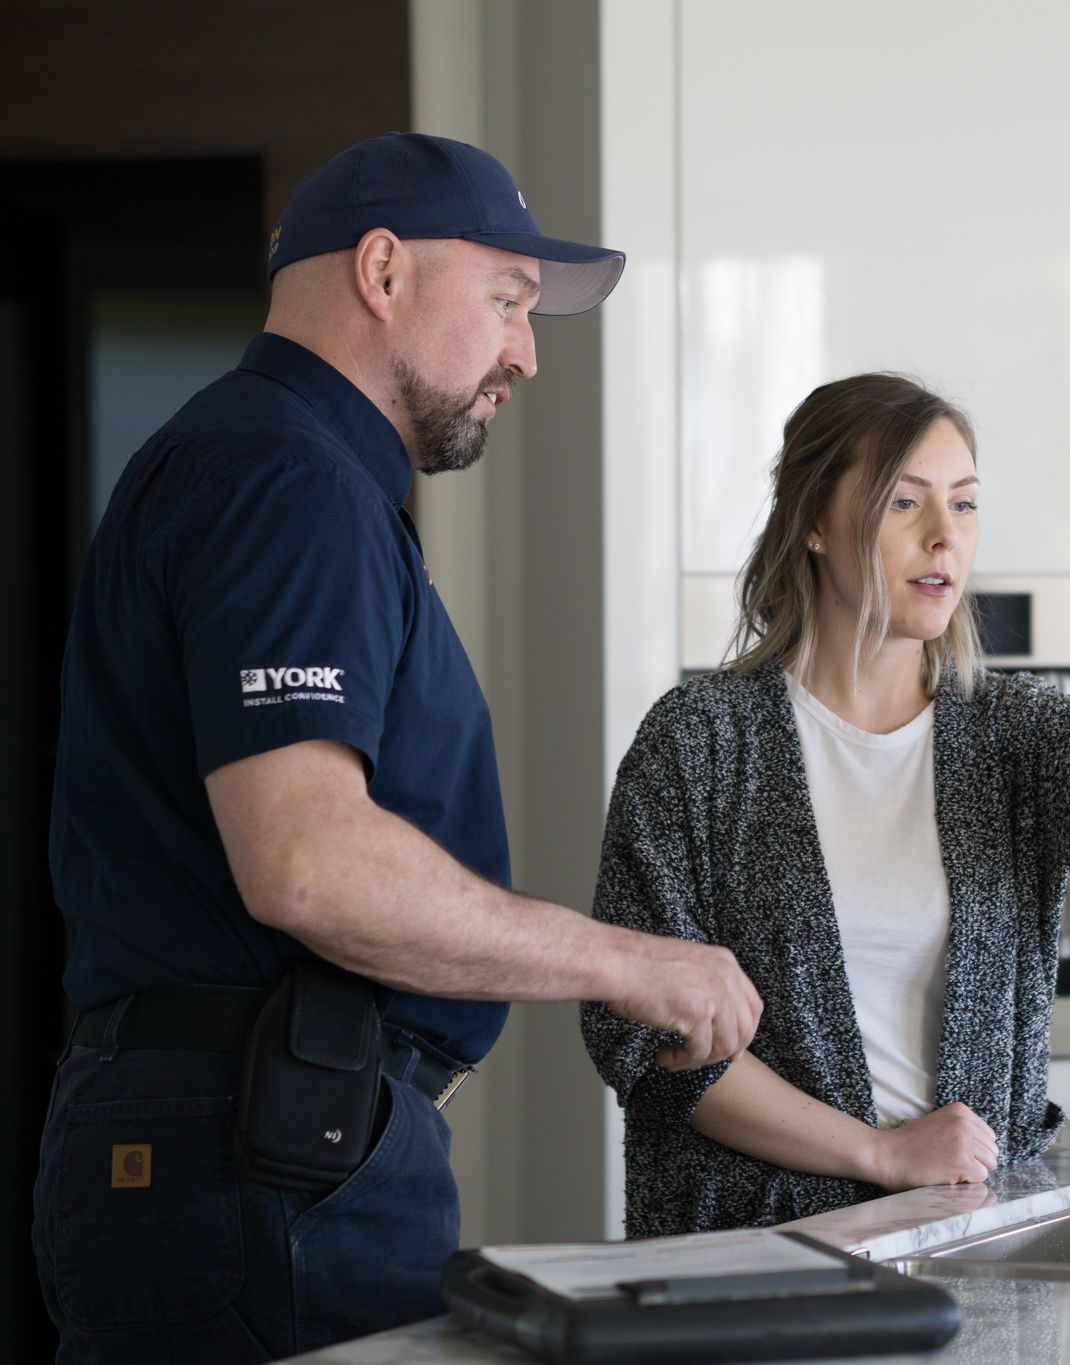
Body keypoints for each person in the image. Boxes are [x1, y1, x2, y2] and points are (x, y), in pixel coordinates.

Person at [32, 133, 761, 1363]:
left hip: (251, 1148)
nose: (526, 353)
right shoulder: (284, 480)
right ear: (381, 271)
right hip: (261, 1161)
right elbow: (311, 865)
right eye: (508, 301)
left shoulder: (267, 466)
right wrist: (633, 964)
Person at [582, 373, 1070, 1237]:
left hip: (974, 1240)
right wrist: (881, 1152)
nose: (945, 536)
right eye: (905, 502)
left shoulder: (1012, 728)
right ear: (812, 521)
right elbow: (643, 1041)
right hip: (752, 1246)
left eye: (966, 504)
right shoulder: (700, 742)